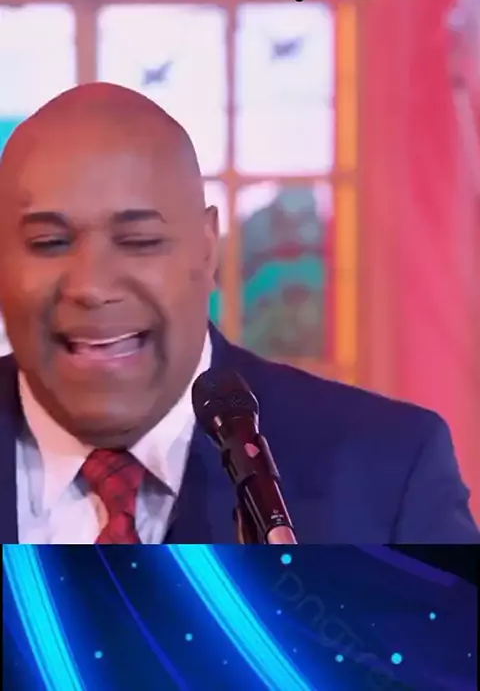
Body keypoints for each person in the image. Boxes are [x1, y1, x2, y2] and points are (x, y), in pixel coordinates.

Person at [0, 82, 477, 545]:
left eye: (139, 241)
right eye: (49, 243)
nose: (91, 286)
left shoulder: (389, 475)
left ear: (208, 249)